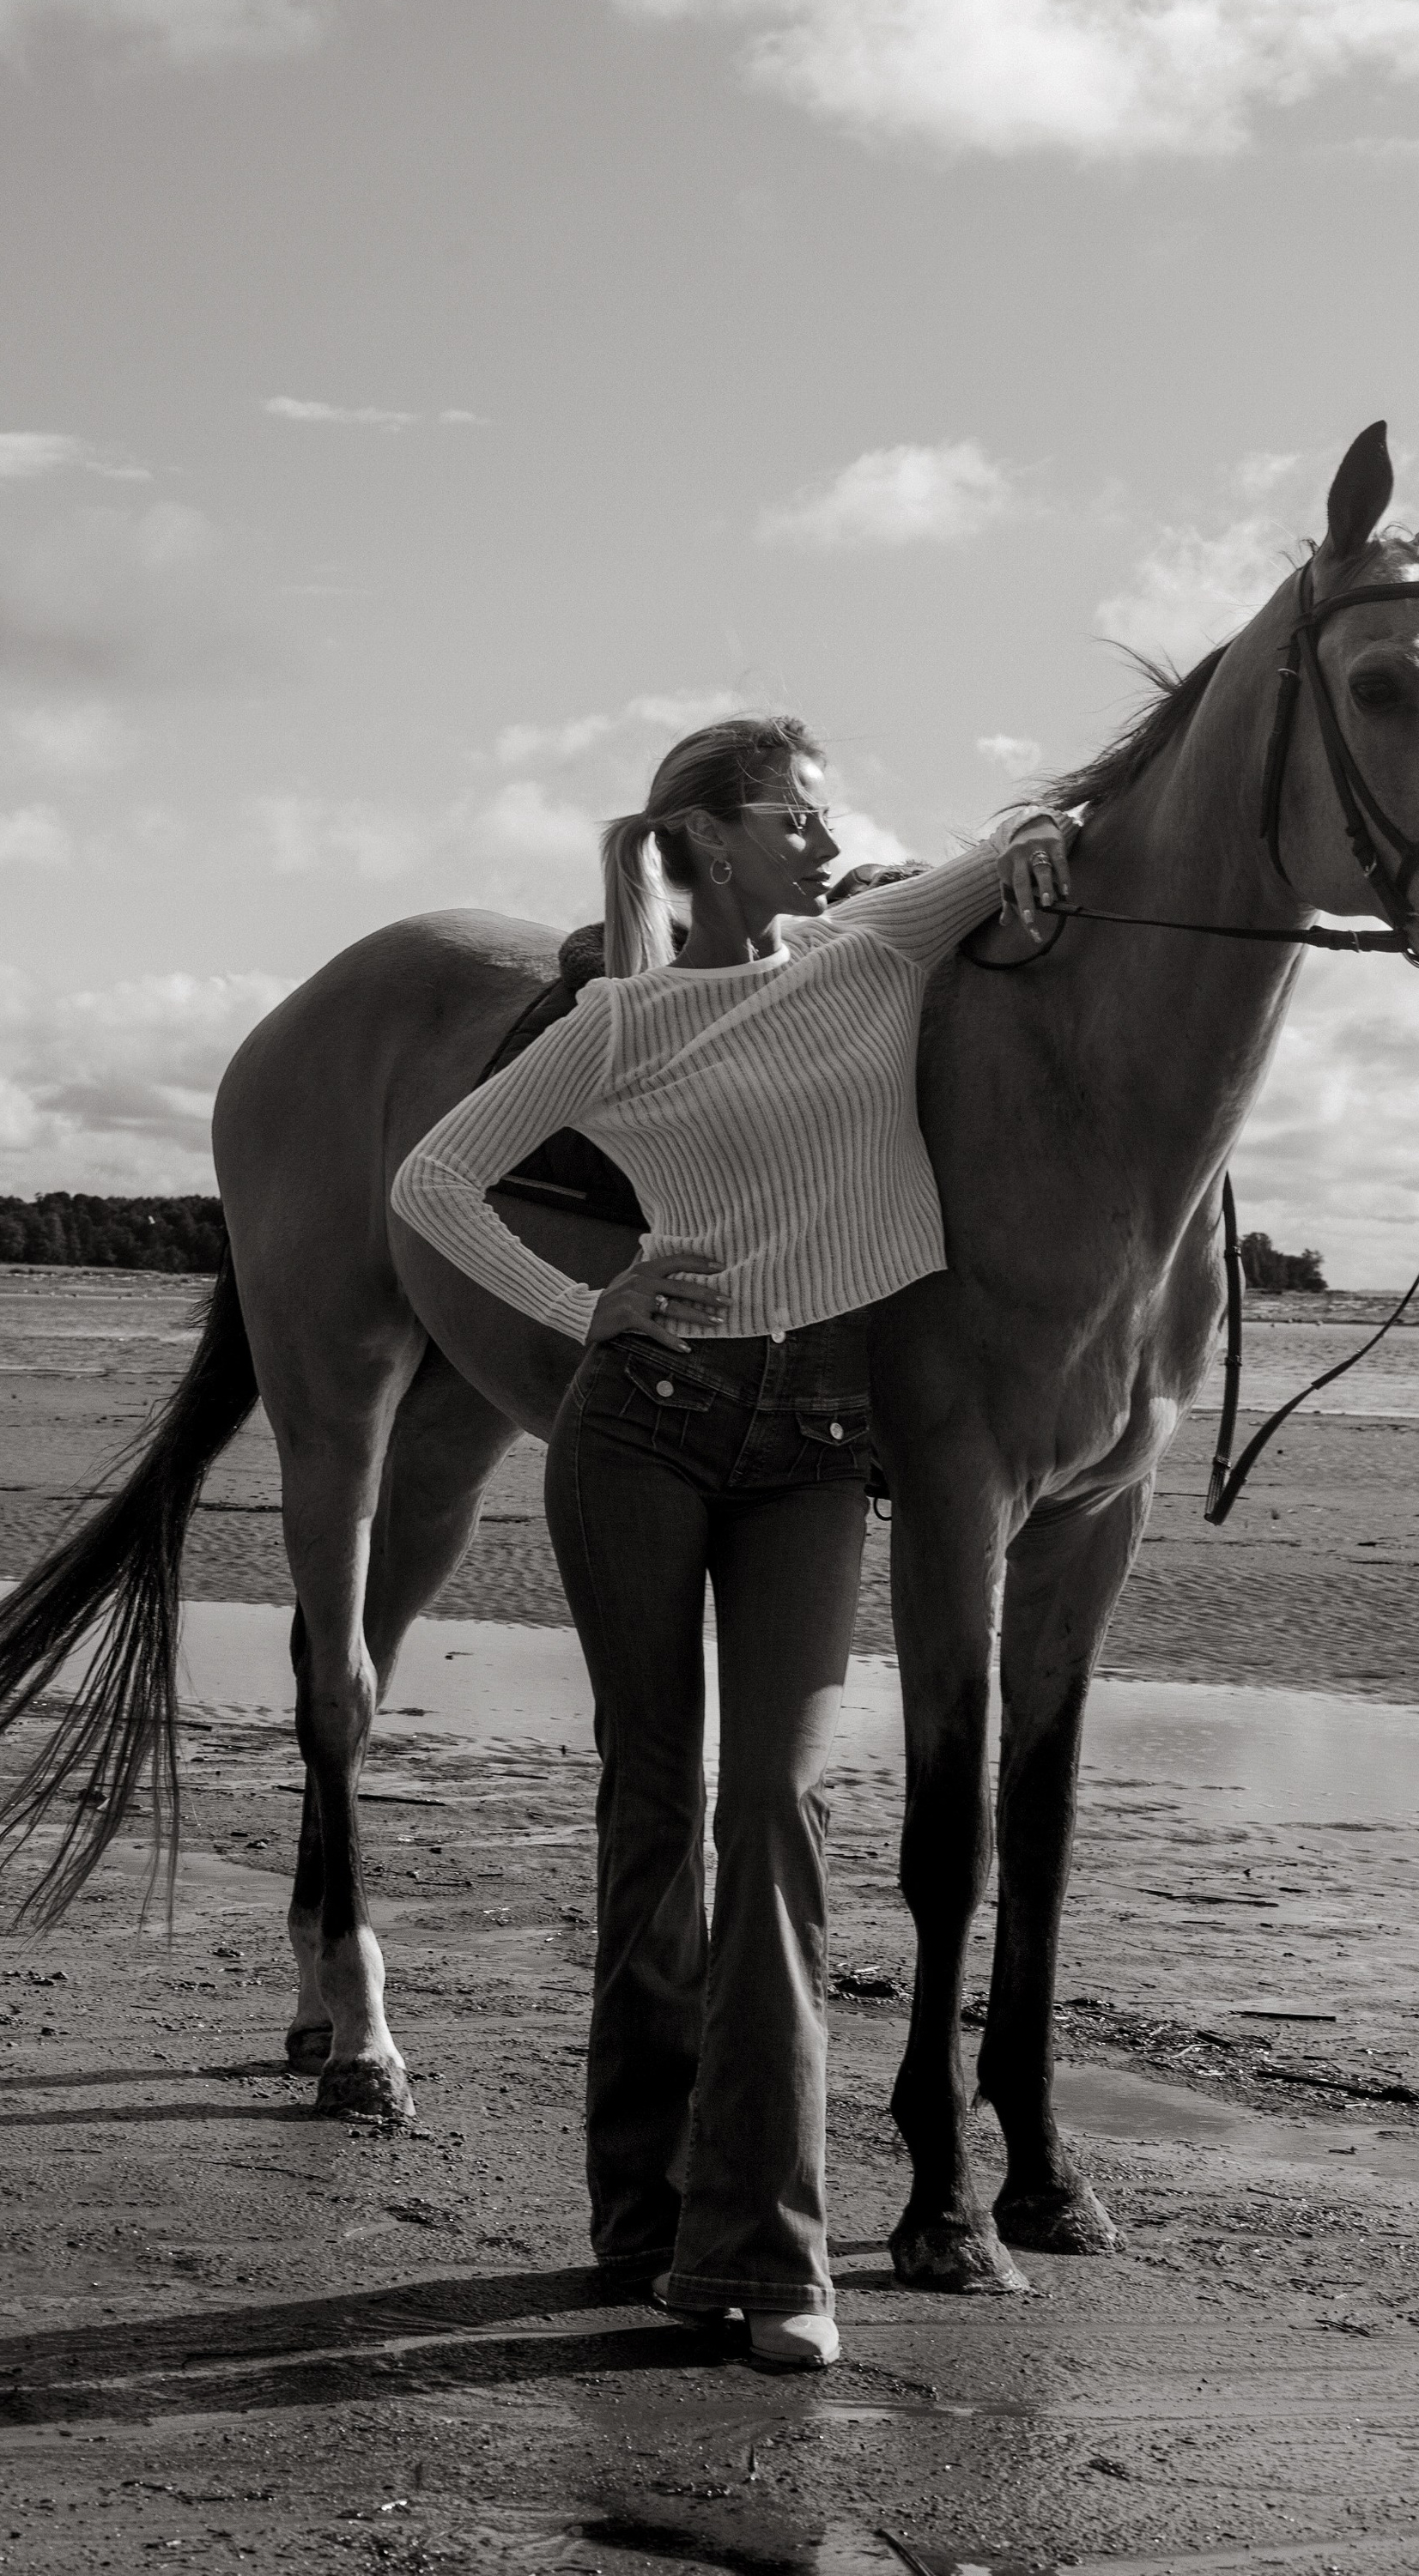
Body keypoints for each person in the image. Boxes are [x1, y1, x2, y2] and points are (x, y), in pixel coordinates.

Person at [391, 715, 1070, 2372]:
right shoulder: (621, 1021)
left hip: (817, 1452)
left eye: (830, 814)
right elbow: (433, 1180)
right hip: (645, 1430)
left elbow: (1031, 843)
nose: (828, 837)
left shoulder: (872, 947)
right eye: (797, 814)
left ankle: (767, 2255)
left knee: (777, 1809)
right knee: (653, 1810)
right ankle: (644, 2213)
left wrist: (1040, 853)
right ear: (706, 836)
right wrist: (586, 1307)